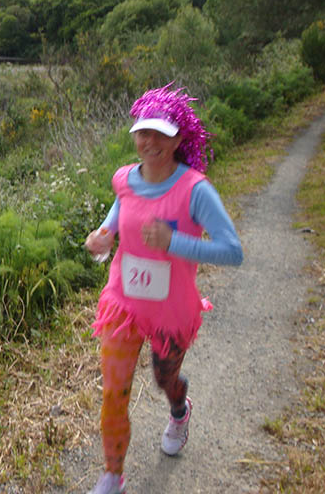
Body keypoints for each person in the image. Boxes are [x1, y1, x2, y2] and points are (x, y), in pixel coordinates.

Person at [83, 84, 243, 494]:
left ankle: (179, 409)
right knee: (113, 393)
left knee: (164, 379)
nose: (149, 142)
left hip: (171, 310)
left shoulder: (195, 190)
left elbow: (232, 251)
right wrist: (103, 235)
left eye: (160, 133)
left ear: (178, 139)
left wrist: (175, 243)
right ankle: (112, 474)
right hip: (122, 304)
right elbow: (121, 209)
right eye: (143, 132)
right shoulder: (124, 178)